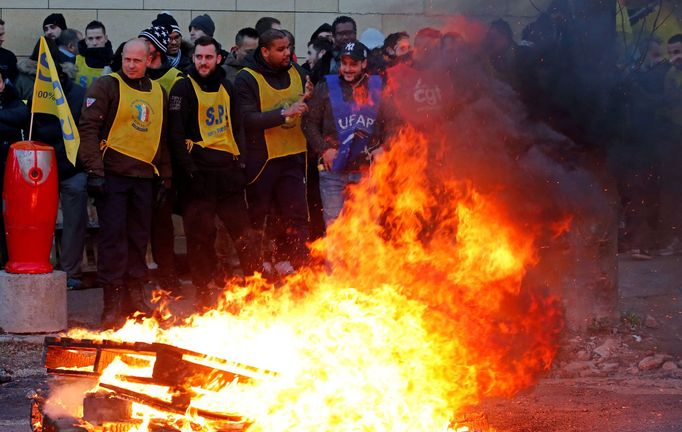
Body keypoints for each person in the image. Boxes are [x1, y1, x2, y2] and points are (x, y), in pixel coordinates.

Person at [78, 38, 171, 328]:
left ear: (149, 61)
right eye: (127, 59)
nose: (131, 64)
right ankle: (112, 302)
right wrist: (94, 170)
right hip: (112, 176)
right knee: (112, 240)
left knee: (138, 240)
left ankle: (135, 297)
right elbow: (89, 128)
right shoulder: (106, 85)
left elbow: (162, 136)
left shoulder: (159, 91)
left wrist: (166, 176)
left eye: (137, 60)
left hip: (145, 177)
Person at [168, 36, 259, 303]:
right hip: (197, 175)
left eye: (208, 57)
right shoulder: (181, 88)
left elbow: (237, 126)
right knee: (200, 238)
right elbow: (174, 135)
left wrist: (241, 162)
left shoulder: (227, 86)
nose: (203, 62)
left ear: (218, 58)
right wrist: (189, 172)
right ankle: (204, 291)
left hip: (228, 173)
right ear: (193, 58)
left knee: (244, 233)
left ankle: (256, 288)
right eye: (199, 57)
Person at [235, 29, 312, 274]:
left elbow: (309, 103)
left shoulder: (299, 72)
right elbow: (246, 119)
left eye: (288, 47)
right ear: (265, 51)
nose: (287, 53)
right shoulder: (246, 78)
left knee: (296, 215)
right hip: (262, 159)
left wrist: (312, 96)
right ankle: (257, 268)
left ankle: (294, 264)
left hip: (293, 156)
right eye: (280, 49)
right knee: (259, 216)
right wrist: (282, 114)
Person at [28, 38, 87, 289]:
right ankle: (42, 267)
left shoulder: (78, 94)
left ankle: (70, 272)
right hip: (43, 169)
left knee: (75, 223)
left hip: (72, 168)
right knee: (40, 223)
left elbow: (86, 129)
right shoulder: (36, 94)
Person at [303, 40, 382, 226]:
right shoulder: (325, 87)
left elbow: (394, 121)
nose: (347, 68)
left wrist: (384, 147)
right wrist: (324, 150)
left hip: (366, 170)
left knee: (367, 226)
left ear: (363, 64)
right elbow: (308, 123)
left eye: (353, 64)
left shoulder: (377, 88)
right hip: (333, 172)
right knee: (335, 225)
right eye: (344, 63)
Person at [0, 71, 29, 266]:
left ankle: (9, 260)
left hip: (10, 168)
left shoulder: (13, 97)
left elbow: (21, 116)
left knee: (10, 218)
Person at [310, 16, 357, 84]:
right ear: (334, 36)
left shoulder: (367, 57)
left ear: (355, 34)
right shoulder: (324, 61)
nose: (345, 37)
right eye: (340, 34)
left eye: (349, 33)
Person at [75, 20, 113, 89]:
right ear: (86, 40)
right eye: (90, 38)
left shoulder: (115, 63)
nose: (94, 43)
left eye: (98, 38)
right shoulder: (75, 60)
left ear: (106, 38)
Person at [0, 19, 18, 84]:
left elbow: (15, 85)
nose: (3, 39)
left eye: (3, 34)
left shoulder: (10, 56)